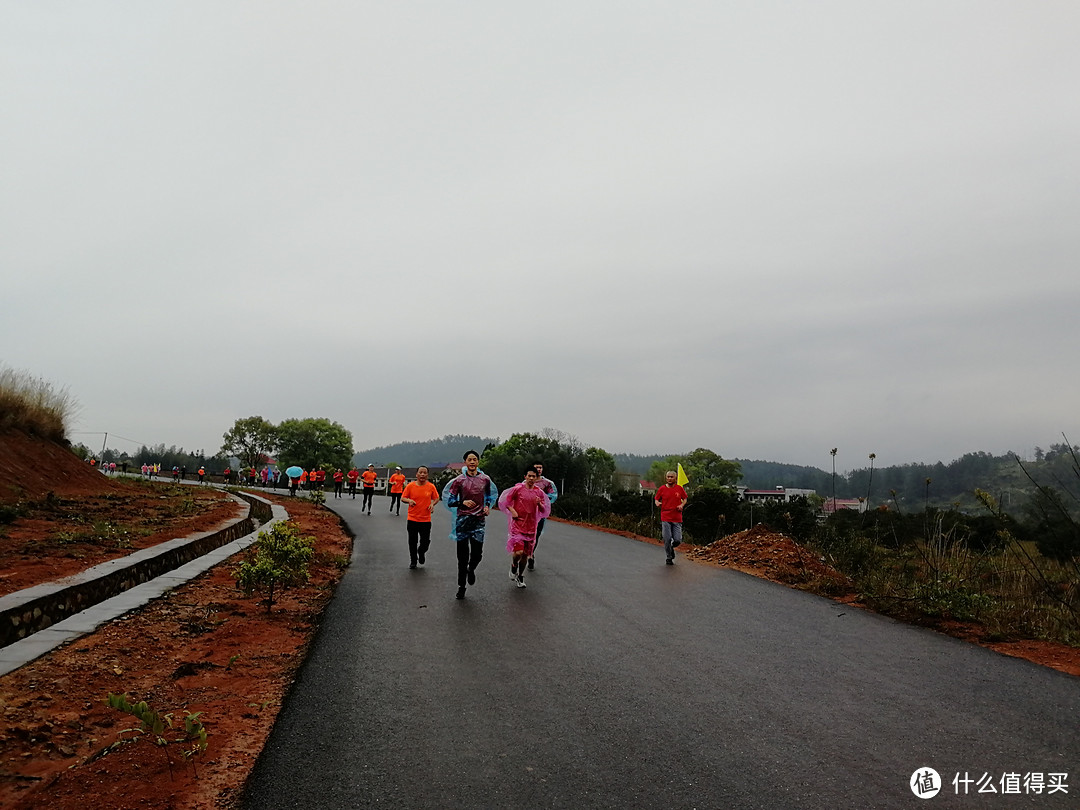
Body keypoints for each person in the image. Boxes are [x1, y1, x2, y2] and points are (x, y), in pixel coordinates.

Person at [442, 450, 498, 600]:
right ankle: (461, 586)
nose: (472, 462)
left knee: (477, 554)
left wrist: (487, 506)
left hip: (479, 521)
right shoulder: (459, 481)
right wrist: (462, 502)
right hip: (462, 521)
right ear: (465, 462)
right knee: (462, 556)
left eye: (474, 459)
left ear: (478, 462)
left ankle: (471, 569)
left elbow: (490, 496)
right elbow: (450, 500)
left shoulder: (485, 479)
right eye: (469, 459)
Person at [499, 467, 552, 589]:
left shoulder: (539, 492)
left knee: (525, 556)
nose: (532, 478)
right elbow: (505, 502)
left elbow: (544, 511)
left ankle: (520, 575)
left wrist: (539, 504)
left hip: (531, 527)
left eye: (534, 476)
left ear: (536, 478)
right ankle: (513, 565)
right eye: (529, 476)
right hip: (517, 526)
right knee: (518, 552)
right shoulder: (517, 489)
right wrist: (513, 511)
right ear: (525, 477)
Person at [401, 466, 440, 569]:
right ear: (416, 474)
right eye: (420, 472)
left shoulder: (431, 487)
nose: (422, 474)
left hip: (425, 519)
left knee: (425, 542)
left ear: (427, 475)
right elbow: (403, 498)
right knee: (412, 541)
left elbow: (436, 498)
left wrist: (432, 504)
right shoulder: (410, 486)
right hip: (412, 519)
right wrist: (409, 501)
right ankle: (413, 560)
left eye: (425, 473)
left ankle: (421, 551)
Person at [527, 462, 559, 570]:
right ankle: (528, 554)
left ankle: (531, 554)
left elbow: (553, 495)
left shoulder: (547, 483)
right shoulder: (526, 482)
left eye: (540, 467)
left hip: (540, 513)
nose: (539, 469)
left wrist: (543, 501)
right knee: (527, 534)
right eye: (536, 467)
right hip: (527, 513)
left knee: (536, 534)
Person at [654, 470, 688, 565]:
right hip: (665, 517)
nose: (669, 478)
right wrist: (657, 502)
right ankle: (669, 557)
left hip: (677, 517)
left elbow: (685, 498)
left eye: (671, 477)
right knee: (667, 538)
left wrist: (682, 505)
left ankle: (672, 547)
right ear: (666, 478)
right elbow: (656, 498)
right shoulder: (662, 489)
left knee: (677, 540)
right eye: (668, 477)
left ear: (675, 478)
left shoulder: (679, 489)